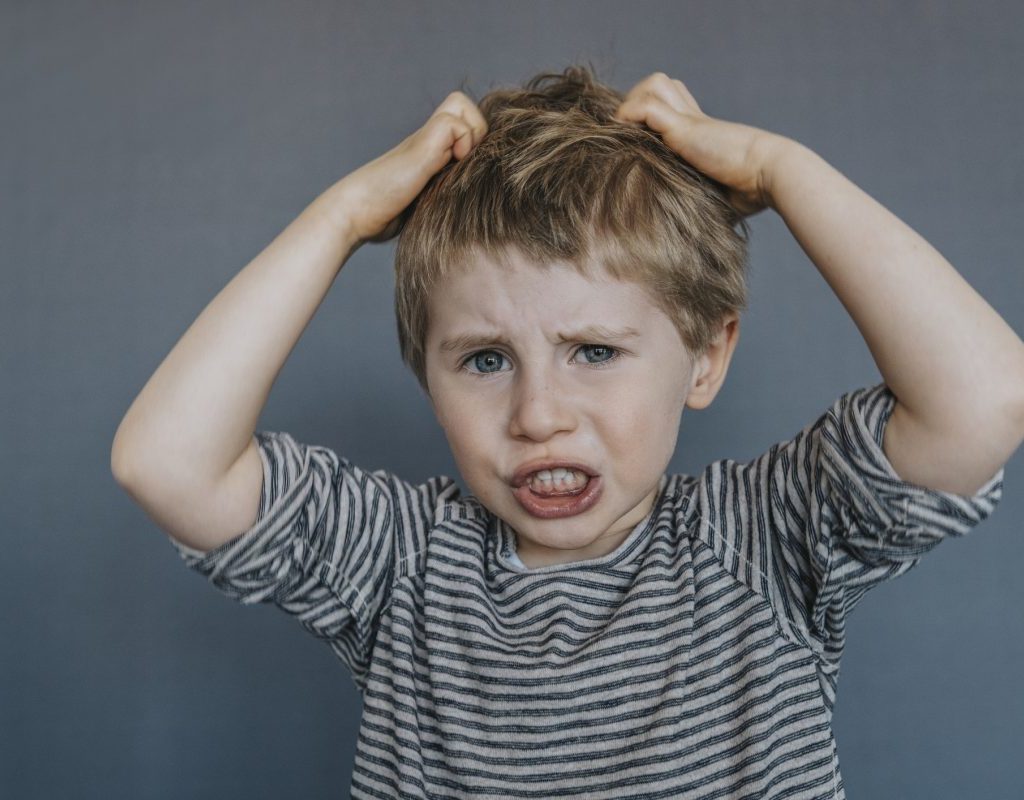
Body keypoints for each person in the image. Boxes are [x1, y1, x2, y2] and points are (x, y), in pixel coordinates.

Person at [111, 65, 1022, 798]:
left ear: (706, 358)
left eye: (592, 351)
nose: (537, 415)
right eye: (484, 360)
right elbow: (167, 461)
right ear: (427, 377)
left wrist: (786, 171)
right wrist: (341, 219)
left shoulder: (768, 539)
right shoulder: (401, 563)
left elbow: (984, 400)